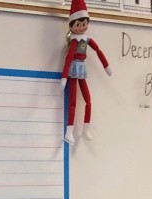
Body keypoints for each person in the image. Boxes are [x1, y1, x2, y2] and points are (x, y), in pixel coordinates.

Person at [61, 0, 111, 145]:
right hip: (74, 70)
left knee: (88, 100)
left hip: (82, 69)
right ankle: (69, 131)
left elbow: (98, 50)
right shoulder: (75, 41)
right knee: (73, 102)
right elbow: (69, 57)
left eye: (84, 24)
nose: (82, 27)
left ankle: (86, 128)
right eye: (78, 24)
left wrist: (106, 66)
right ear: (72, 26)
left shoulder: (87, 40)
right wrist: (64, 77)